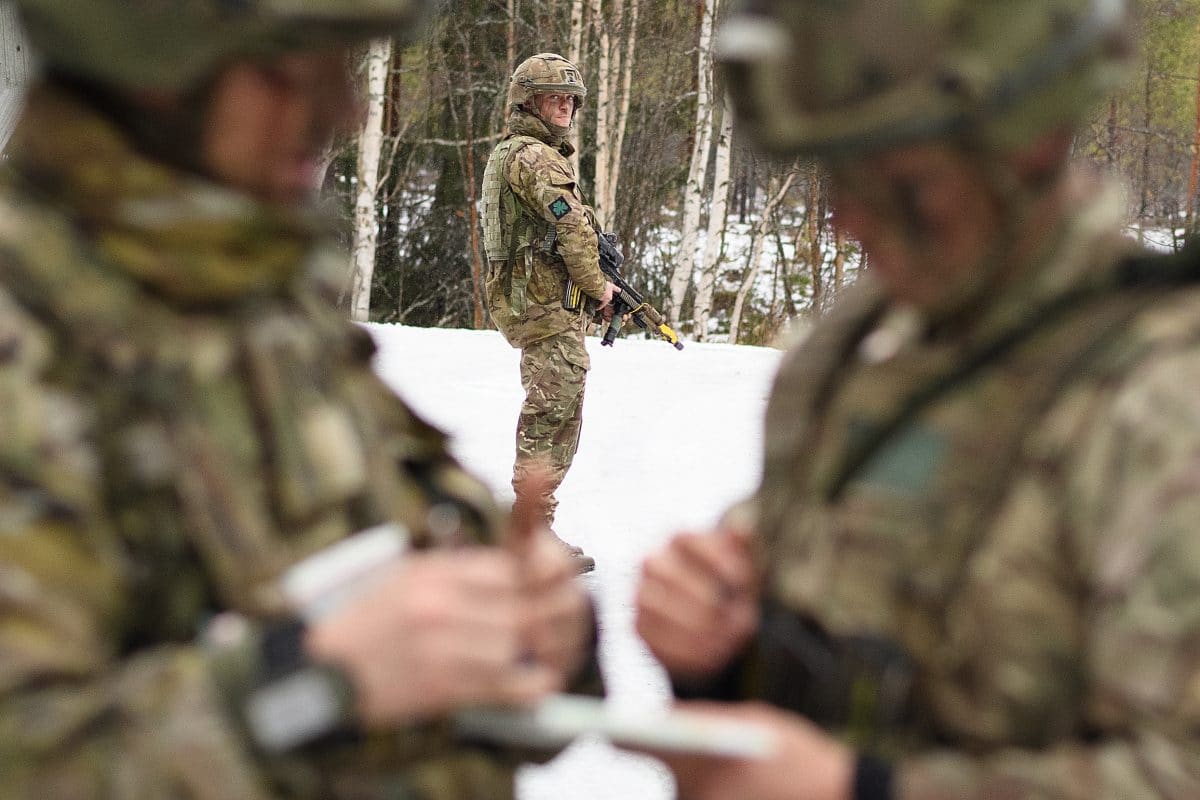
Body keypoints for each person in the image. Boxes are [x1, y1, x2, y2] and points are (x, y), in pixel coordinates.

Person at [0, 3, 602, 798]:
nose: (341, 112)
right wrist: (311, 686)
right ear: (155, 62)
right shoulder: (38, 325)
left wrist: (543, 635)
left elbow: (426, 541)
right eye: (291, 70)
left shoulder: (260, 305)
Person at [635, 0, 1200, 797]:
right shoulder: (852, 352)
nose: (848, 221)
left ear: (1030, 145)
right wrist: (718, 650)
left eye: (902, 183)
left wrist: (862, 788)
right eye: (838, 175)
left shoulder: (1161, 399)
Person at [482, 52, 619, 574]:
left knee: (558, 404)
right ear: (527, 101)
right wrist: (597, 286)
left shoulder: (523, 152)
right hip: (537, 302)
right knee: (552, 408)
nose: (563, 106)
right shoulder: (536, 157)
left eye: (569, 99)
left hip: (533, 299)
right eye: (552, 98)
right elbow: (572, 231)